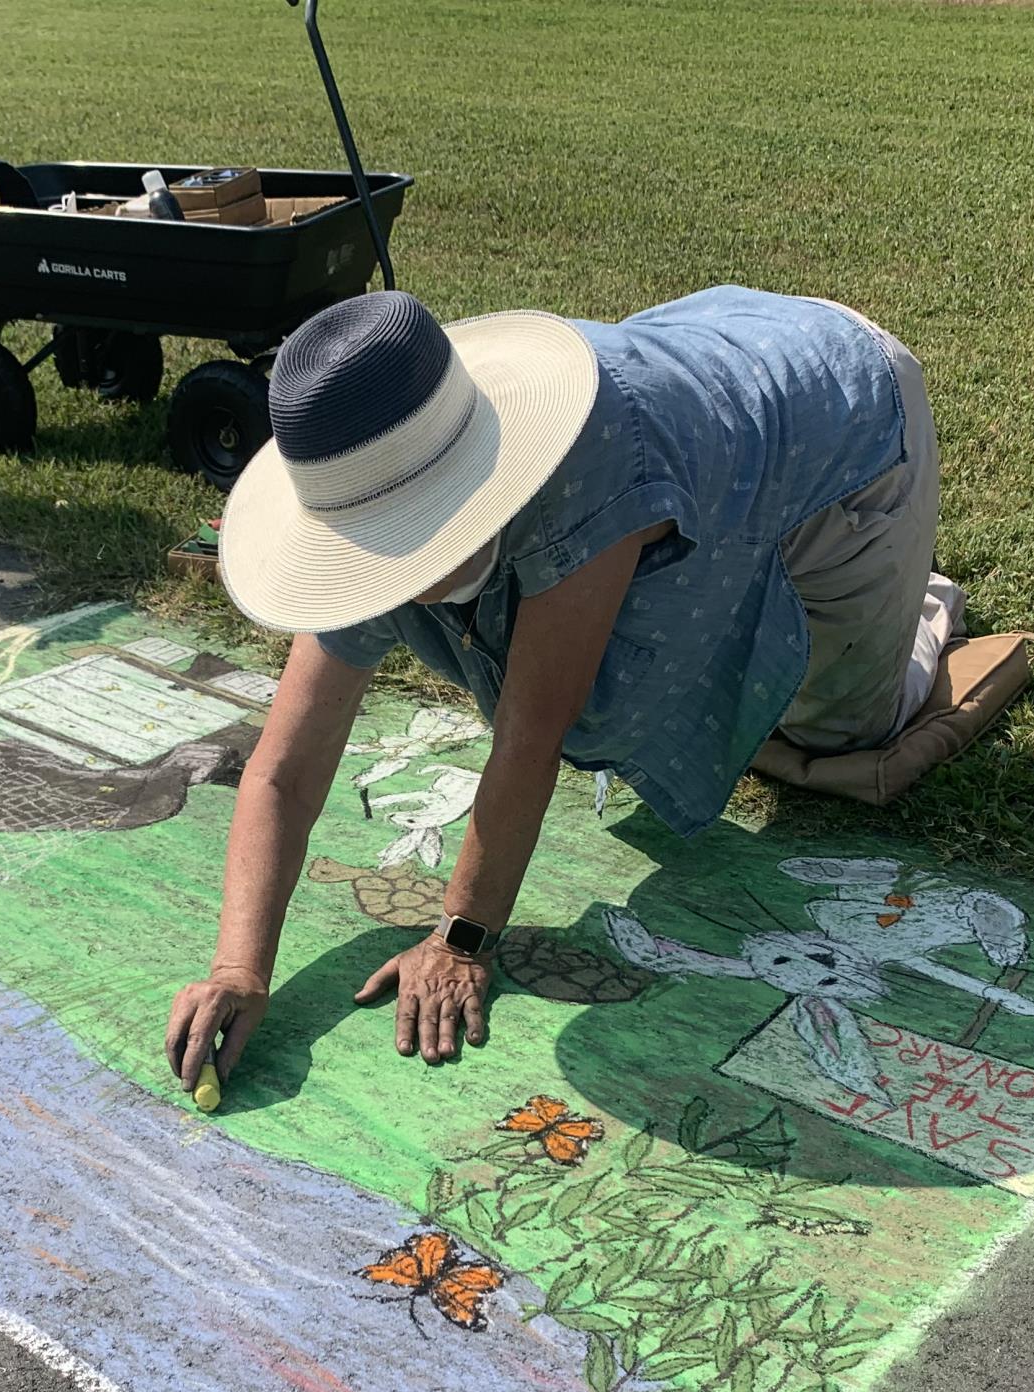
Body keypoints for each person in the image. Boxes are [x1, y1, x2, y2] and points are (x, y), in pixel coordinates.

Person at [164, 286, 951, 1089]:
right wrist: (238, 968)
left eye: (395, 547)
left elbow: (533, 735)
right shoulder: (379, 465)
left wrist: (461, 937)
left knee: (840, 731)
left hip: (846, 414)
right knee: (593, 650)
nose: (380, 572)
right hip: (721, 354)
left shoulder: (585, 469)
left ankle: (923, 598)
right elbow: (285, 770)